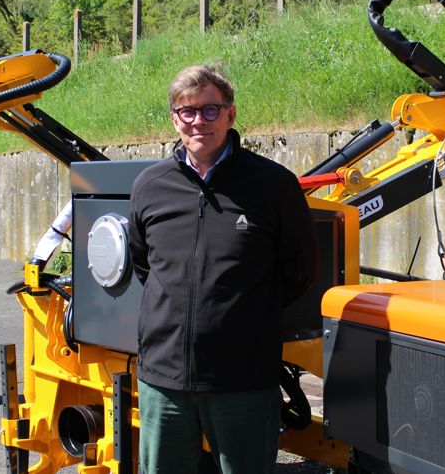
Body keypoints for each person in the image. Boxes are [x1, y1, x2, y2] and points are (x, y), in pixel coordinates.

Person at [127, 65, 318, 474]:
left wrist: (242, 316)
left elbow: (299, 271)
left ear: (231, 115)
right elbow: (145, 265)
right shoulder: (150, 185)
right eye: (187, 111)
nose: (199, 121)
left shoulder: (273, 185)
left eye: (211, 110)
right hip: (165, 380)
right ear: (174, 118)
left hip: (243, 379)